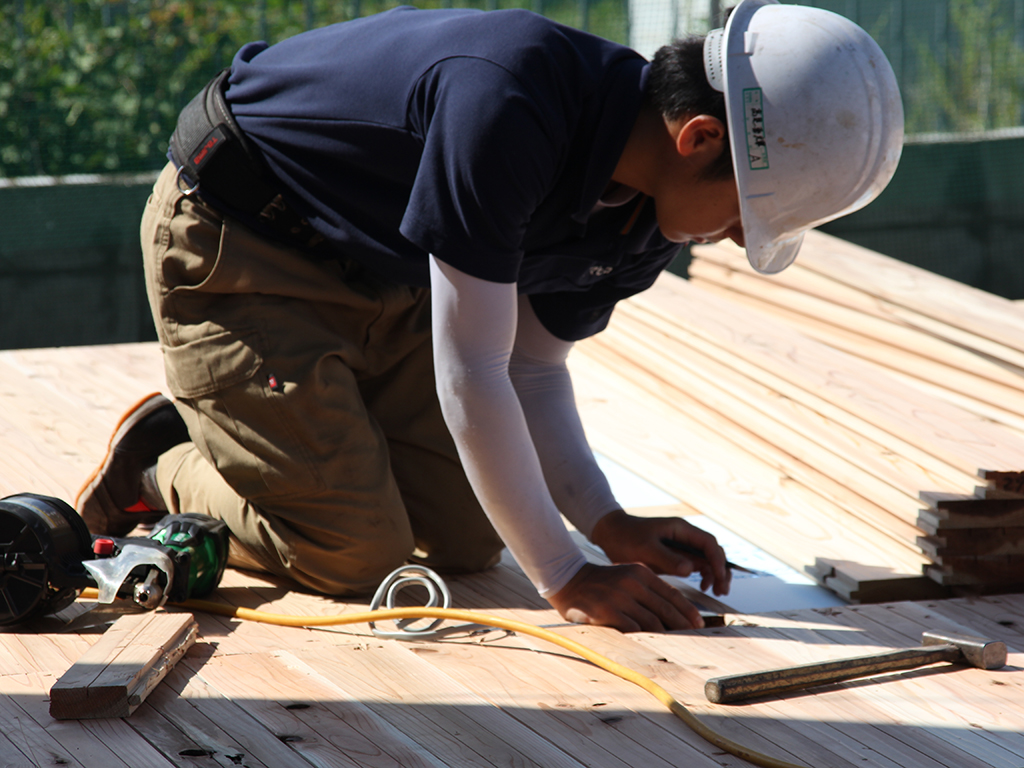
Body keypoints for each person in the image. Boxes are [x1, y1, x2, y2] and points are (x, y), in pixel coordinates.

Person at [77, 0, 903, 632]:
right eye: (744, 215)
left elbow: (532, 368)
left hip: (382, 273)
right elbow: (471, 366)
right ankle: (166, 461)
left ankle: (282, 435)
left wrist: (605, 525)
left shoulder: (650, 216)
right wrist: (564, 578)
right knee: (355, 552)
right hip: (244, 247)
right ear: (696, 138)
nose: (733, 237)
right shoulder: (511, 101)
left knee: (471, 538)